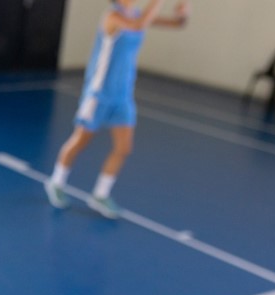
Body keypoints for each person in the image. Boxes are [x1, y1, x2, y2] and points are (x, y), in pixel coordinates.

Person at [44, 0, 189, 219]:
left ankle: (100, 195)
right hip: (99, 94)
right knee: (81, 140)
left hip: (123, 96)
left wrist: (183, 13)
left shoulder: (138, 14)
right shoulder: (112, 17)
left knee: (124, 148)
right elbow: (140, 25)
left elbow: (176, 25)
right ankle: (56, 181)